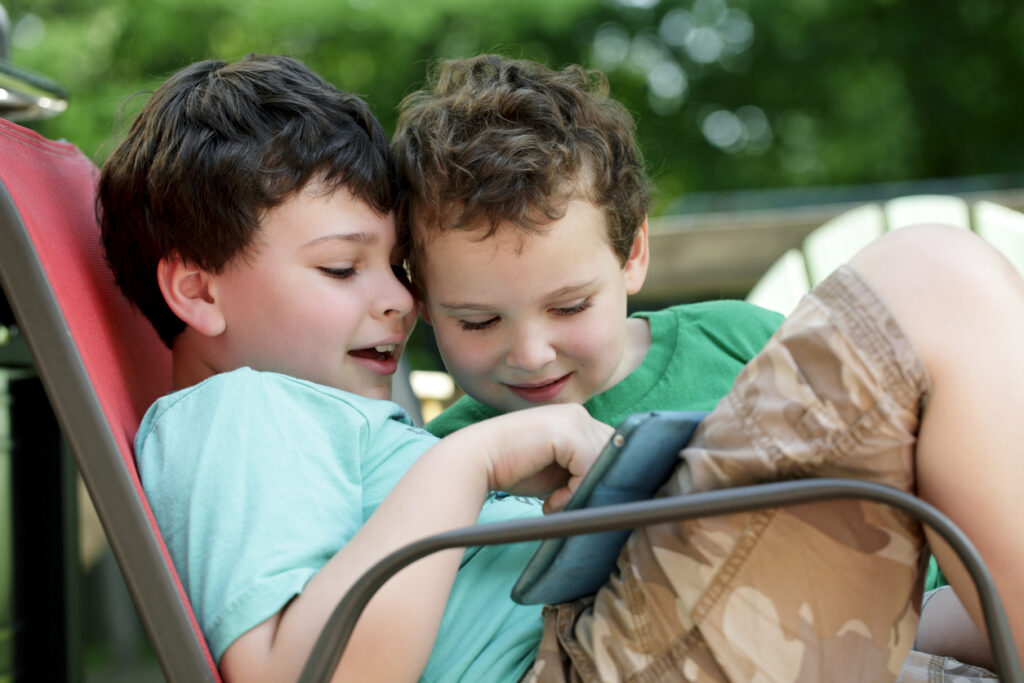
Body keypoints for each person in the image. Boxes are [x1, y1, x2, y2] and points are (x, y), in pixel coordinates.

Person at [98, 53, 1021, 682]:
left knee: (986, 616)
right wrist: (469, 461)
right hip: (588, 658)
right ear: (199, 293)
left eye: (391, 267)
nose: (395, 300)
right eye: (343, 268)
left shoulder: (320, 418)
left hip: (616, 634)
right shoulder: (237, 412)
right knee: (931, 271)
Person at [391, 54, 1021, 679]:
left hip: (904, 614)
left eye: (570, 306)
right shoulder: (450, 466)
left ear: (633, 252)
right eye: (478, 322)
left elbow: (928, 549)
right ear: (421, 299)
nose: (530, 354)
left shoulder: (739, 342)